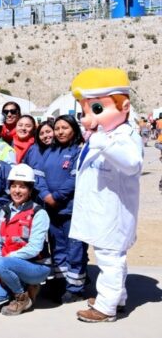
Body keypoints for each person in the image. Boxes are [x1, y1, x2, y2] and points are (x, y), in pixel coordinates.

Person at [70, 68, 143, 323]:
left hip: (113, 212)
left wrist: (103, 143)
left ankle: (106, 308)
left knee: (110, 258)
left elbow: (132, 163)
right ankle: (115, 297)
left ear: (123, 106)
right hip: (101, 210)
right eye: (85, 111)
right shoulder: (105, 135)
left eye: (97, 110)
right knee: (112, 257)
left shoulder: (125, 135)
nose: (88, 118)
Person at [35, 114, 87, 303]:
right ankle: (61, 282)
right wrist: (46, 196)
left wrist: (56, 197)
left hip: (71, 210)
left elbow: (75, 178)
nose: (60, 132)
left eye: (64, 128)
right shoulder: (49, 151)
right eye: (57, 128)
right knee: (57, 247)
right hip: (51, 210)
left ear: (73, 129)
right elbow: (38, 176)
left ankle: (76, 288)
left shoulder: (78, 151)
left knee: (75, 249)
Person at [0, 164, 51, 316]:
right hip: (8, 263)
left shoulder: (39, 213)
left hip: (36, 267)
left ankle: (22, 297)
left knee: (1, 264)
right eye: (14, 186)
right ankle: (25, 288)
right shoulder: (2, 210)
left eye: (22, 187)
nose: (17, 191)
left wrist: (3, 262)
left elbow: (35, 248)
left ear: (30, 190)